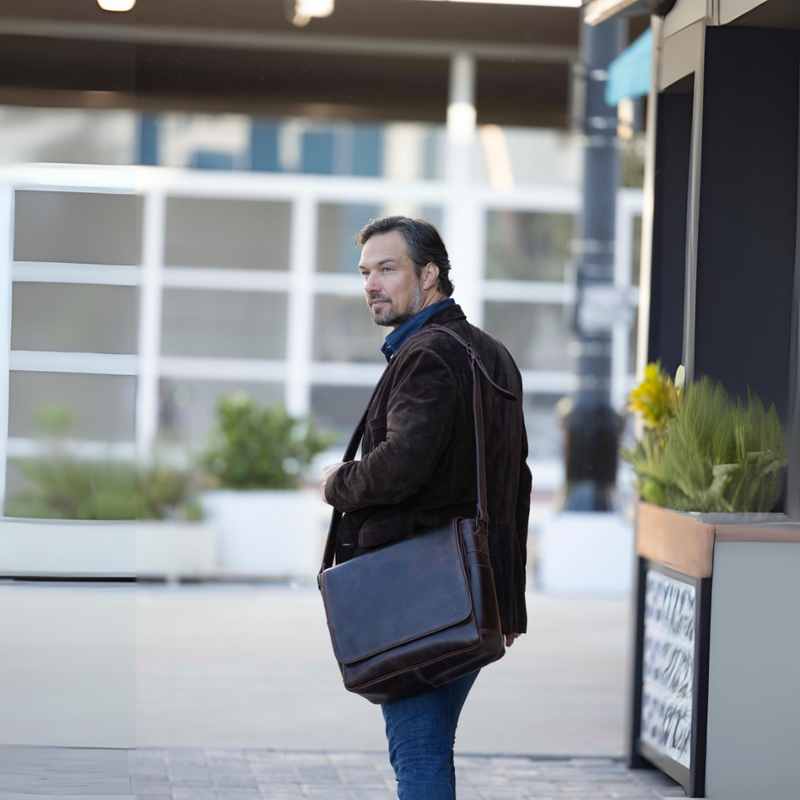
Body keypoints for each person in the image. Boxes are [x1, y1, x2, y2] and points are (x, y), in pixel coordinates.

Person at [320, 216, 531, 800]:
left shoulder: (427, 354)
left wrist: (338, 481)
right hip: (469, 599)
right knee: (427, 752)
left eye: (388, 269)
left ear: (430, 274)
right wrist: (505, 602)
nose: (372, 285)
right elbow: (517, 482)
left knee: (418, 759)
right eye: (365, 272)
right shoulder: (493, 355)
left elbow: (399, 465)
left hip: (418, 602)